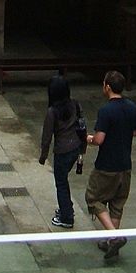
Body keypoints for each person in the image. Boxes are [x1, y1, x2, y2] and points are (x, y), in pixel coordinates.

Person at [84, 70, 136, 262]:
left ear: (108, 87)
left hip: (107, 165)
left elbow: (100, 140)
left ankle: (114, 235)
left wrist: (88, 139)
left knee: (93, 198)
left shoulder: (106, 111)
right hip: (125, 164)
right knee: (117, 203)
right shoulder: (132, 107)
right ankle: (112, 243)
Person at [39, 76, 87, 228]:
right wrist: (83, 148)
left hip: (62, 150)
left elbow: (46, 137)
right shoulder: (75, 104)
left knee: (61, 182)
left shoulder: (52, 112)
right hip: (76, 147)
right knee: (63, 180)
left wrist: (43, 156)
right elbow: (82, 126)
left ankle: (66, 216)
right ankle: (67, 208)